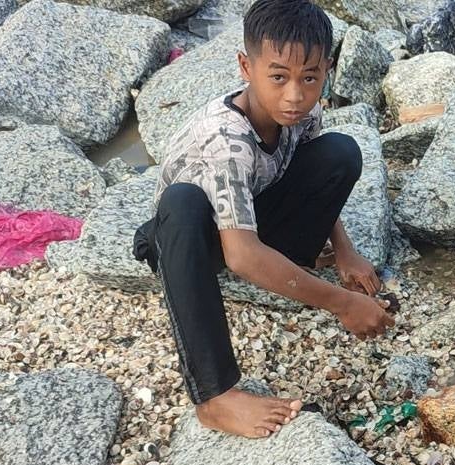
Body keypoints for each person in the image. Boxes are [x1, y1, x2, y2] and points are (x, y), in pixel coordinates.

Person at [133, 0, 393, 439]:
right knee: (181, 204)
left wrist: (346, 252)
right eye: (278, 77)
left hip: (251, 212)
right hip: (191, 239)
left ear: (326, 70)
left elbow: (301, 167)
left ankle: (289, 265)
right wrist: (342, 303)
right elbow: (241, 256)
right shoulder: (225, 140)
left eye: (309, 77)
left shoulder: (302, 110)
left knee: (340, 152)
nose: (294, 95)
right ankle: (215, 398)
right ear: (245, 67)